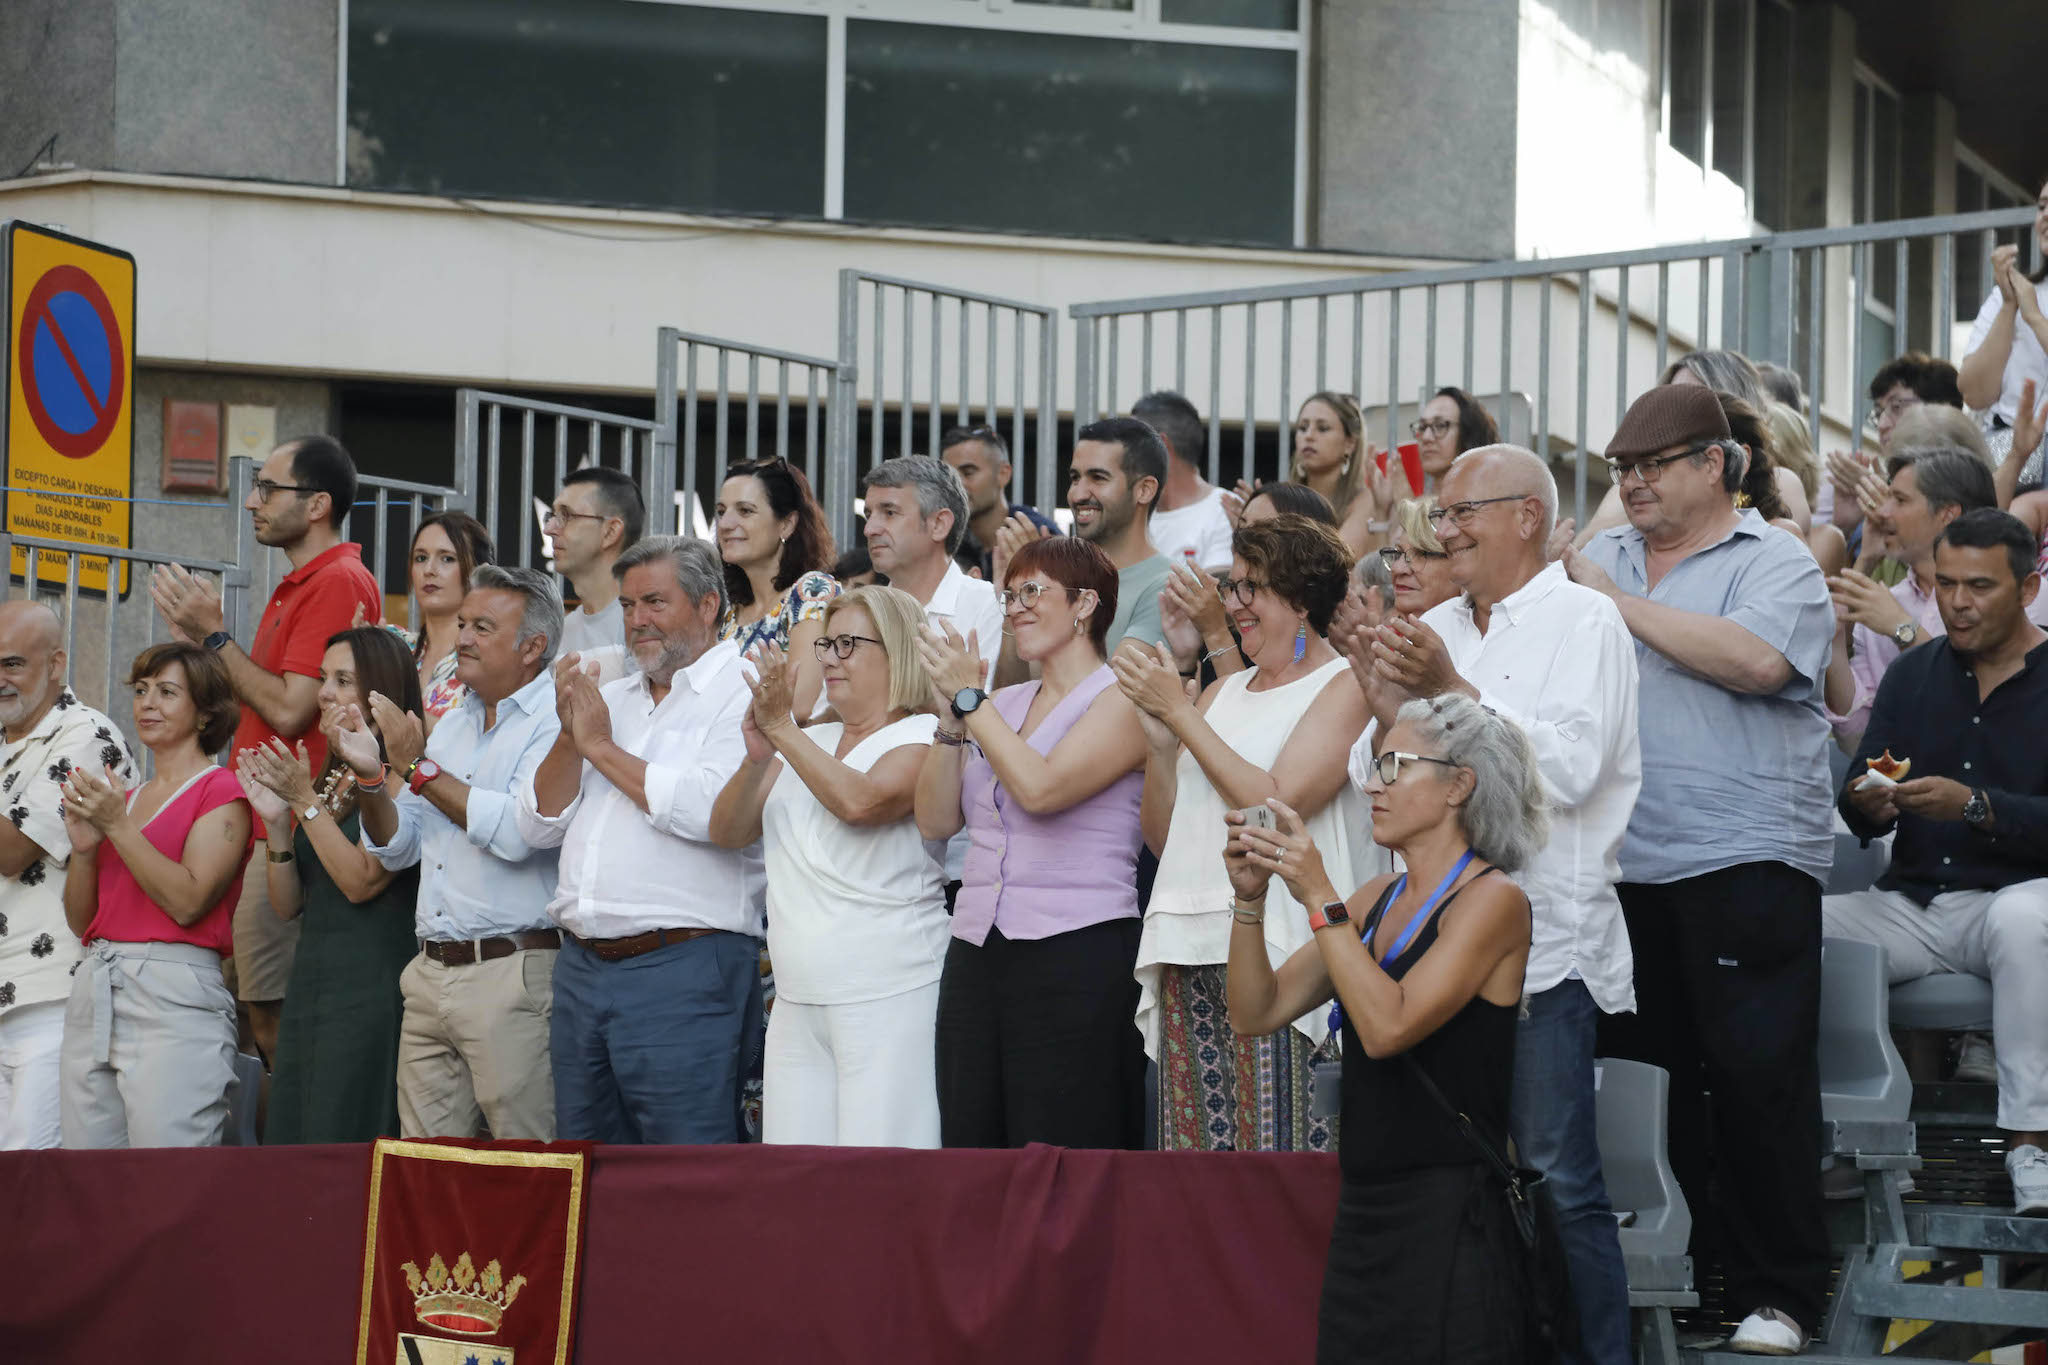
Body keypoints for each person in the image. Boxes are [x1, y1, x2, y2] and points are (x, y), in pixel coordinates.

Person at [1350, 446, 1641, 1365]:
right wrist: (1381, 699)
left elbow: (1571, 768)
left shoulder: (1586, 618)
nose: (1444, 530)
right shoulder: (1438, 623)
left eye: (1462, 511)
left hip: (1542, 941)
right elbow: (1374, 773)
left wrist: (1447, 689)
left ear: (1527, 514)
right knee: (1454, 1181)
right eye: (1439, 515)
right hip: (1429, 945)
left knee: (1556, 1178)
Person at [1563, 384, 1835, 1356]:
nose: (1630, 483)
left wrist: (1616, 605)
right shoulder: (1607, 558)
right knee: (1652, 1086)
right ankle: (1688, 1280)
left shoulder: (1775, 559)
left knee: (1757, 1083)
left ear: (1713, 466)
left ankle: (1783, 1294)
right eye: (1620, 469)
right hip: (1628, 864)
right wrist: (1607, 568)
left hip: (1743, 856)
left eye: (1652, 465)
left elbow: (1757, 663)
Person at [1224, 694, 1545, 1364]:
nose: (1372, 783)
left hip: (1451, 1208)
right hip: (1367, 1202)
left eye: (1393, 766)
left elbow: (1387, 1026)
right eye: (1374, 765)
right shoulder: (1372, 901)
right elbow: (1255, 1011)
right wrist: (1250, 903)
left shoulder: (1494, 903)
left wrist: (1316, 893)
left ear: (1459, 783)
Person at [1119, 514, 1376, 1151]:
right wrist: (1160, 743)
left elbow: (1279, 804)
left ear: (1301, 595)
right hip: (1187, 938)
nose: (1233, 605)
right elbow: (1164, 838)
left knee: (1283, 1155)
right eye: (1231, 588)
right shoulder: (1220, 693)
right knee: (1196, 1171)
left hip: (1286, 952)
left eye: (1248, 588)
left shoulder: (1344, 684)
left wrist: (1180, 712)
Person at [1830, 509, 2048, 1216]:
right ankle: (1855, 1143)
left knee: (2024, 919)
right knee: (1795, 925)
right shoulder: (1915, 673)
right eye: (1947, 582)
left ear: (2029, 585)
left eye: (1979, 586)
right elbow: (1865, 780)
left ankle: (2030, 1146)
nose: (1957, 601)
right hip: (1913, 903)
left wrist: (1976, 806)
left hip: (2013, 898)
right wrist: (1869, 801)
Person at [518, 538, 763, 1145]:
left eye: (655, 602)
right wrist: (571, 737)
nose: (636, 621)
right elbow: (537, 823)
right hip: (581, 967)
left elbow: (714, 814)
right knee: (587, 1171)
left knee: (687, 1176)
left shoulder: (744, 689)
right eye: (627, 605)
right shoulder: (613, 697)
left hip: (684, 965)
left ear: (709, 606)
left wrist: (600, 748)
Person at [150, 434, 382, 1075]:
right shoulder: (301, 582)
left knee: (274, 1027)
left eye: (269, 488)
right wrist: (204, 648)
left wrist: (215, 634)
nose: (252, 501)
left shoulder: (336, 580)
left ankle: (284, 1165)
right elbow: (256, 698)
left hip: (291, 824)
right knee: (253, 1022)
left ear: (317, 505)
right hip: (262, 820)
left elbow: (288, 709)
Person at [916, 536, 1150, 1148]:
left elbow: (1041, 790)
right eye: (1008, 595)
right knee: (971, 1139)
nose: (1015, 607)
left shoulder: (1121, 698)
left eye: (1031, 591)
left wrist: (971, 700)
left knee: (1063, 1145)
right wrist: (950, 719)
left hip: (1078, 947)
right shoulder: (1006, 702)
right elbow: (937, 822)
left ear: (1084, 604)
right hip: (976, 946)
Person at [710, 586, 945, 1147]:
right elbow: (727, 832)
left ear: (898, 652)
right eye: (825, 646)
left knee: (884, 1182)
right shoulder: (808, 739)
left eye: (848, 644)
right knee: (799, 1185)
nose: (831, 659)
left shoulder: (928, 735)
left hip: (891, 993)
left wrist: (784, 730)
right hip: (796, 999)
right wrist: (759, 754)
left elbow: (862, 803)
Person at [354, 565, 566, 1141]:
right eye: (463, 624)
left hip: (511, 973)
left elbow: (518, 835)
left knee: (526, 1162)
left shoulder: (556, 721)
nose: (462, 637)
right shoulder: (453, 724)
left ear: (533, 647)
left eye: (482, 626)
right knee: (427, 1173)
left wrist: (415, 768)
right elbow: (400, 849)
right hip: (430, 972)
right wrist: (372, 778)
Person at [57, 644, 251, 1148]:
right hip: (99, 982)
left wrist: (117, 827)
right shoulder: (124, 799)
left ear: (206, 711)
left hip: (175, 992)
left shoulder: (221, 791)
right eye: (142, 690)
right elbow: (83, 923)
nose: (148, 704)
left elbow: (189, 902)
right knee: (88, 1183)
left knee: (166, 1180)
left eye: (167, 692)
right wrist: (83, 851)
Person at [235, 628, 422, 1144]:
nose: (324, 692)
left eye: (343, 680)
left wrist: (300, 799)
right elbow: (288, 903)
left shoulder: (400, 775)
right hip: (314, 981)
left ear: (379, 693)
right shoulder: (330, 774)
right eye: (323, 678)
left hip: (371, 986)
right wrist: (276, 822)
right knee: (302, 1138)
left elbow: (362, 881)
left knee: (348, 1133)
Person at [0, 602, 137, 1149]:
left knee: (30, 1186)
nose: (0, 680)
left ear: (56, 664)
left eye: (12, 664)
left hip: (50, 1001)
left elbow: (13, 850)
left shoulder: (88, 734)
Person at [1825, 449, 1997, 745]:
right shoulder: (1884, 604)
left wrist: (1902, 630)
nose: (1880, 512)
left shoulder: (2013, 597)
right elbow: (1858, 740)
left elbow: (1984, 713)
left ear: (1947, 515)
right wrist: (1835, 641)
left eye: (1900, 500)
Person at [860, 456, 1004, 685]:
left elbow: (986, 711)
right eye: (868, 514)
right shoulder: (859, 613)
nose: (869, 529)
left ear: (939, 524)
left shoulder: (990, 607)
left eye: (889, 513)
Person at [716, 458, 840, 720]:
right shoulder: (727, 613)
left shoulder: (812, 592)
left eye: (745, 511)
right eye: (721, 511)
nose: (725, 524)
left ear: (786, 524)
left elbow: (798, 705)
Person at [1959, 178, 2048, 476]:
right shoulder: (2011, 293)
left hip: (2041, 455)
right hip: (2002, 443)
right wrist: (2010, 306)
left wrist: (2034, 316)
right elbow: (1973, 393)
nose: (2045, 215)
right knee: (1935, 483)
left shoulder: (2030, 300)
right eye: (2042, 207)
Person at [1065, 417, 1171, 652]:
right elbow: (1016, 684)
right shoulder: (1057, 577)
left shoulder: (1168, 586)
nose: (1078, 494)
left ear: (1144, 490)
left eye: (1098, 478)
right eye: (1075, 478)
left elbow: (1119, 687)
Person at [389, 510, 494, 727]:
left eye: (447, 558)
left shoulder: (490, 656)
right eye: (420, 558)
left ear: (479, 571)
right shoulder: (394, 646)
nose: (429, 570)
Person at [549, 465, 645, 685]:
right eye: (552, 516)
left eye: (566, 515)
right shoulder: (560, 631)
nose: (550, 528)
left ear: (610, 531)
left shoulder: (644, 625)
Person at [1133, 391, 1235, 573]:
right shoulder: (1130, 516)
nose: (1124, 455)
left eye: (1131, 443)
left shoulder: (1227, 512)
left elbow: (1216, 596)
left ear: (1160, 447)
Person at [941, 426, 1059, 580]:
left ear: (1003, 474)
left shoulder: (1038, 535)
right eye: (949, 475)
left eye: (968, 472)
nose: (956, 484)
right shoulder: (948, 539)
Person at [1288, 391, 1385, 556]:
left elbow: (1339, 561)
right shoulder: (1284, 498)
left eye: (1323, 428)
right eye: (1303, 428)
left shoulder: (1365, 500)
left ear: (1350, 443)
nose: (1309, 436)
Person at [1410, 386, 1502, 493]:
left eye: (1440, 425)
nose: (1426, 437)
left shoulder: (1490, 502)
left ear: (1468, 433)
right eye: (1422, 427)